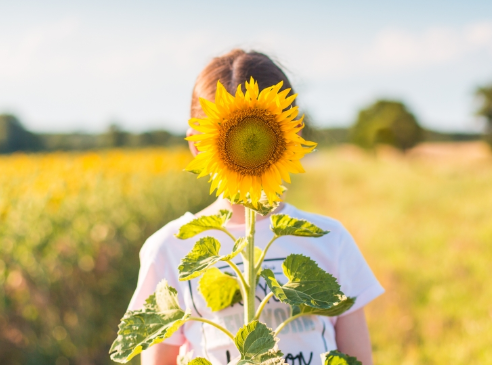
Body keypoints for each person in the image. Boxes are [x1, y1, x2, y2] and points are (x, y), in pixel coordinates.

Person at [128, 49, 384, 365]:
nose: (249, 142)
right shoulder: (171, 247)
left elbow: (357, 357)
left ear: (293, 134)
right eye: (231, 133)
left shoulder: (331, 240)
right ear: (198, 143)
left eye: (261, 131)